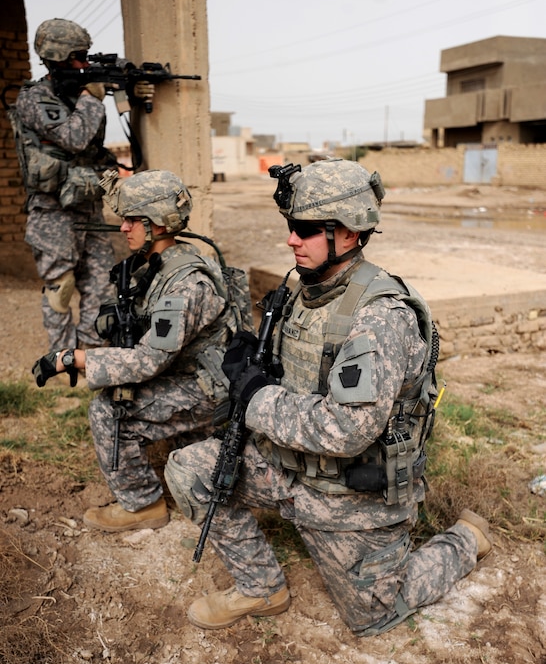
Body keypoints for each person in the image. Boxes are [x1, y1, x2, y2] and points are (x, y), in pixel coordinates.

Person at [163, 157, 492, 636]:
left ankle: (466, 540)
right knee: (189, 470)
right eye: (291, 226)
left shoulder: (379, 317)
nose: (292, 239)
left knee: (374, 617)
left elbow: (347, 429)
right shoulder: (305, 291)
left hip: (351, 494)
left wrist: (254, 396)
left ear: (351, 233)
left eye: (306, 228)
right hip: (287, 466)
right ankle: (261, 587)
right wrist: (252, 365)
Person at [33, 169, 242, 533]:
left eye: (133, 220)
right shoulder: (161, 265)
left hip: (210, 389)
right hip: (191, 373)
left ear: (158, 224)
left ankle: (143, 504)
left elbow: (147, 360)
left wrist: (72, 358)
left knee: (109, 409)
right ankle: (192, 460)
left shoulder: (187, 284)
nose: (124, 228)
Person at [14, 18, 154, 351]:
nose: (83, 64)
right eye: (77, 57)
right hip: (52, 211)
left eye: (85, 56)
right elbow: (73, 137)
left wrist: (130, 93)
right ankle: (61, 357)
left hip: (87, 203)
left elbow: (91, 142)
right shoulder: (35, 99)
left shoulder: (80, 94)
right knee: (61, 286)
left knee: (101, 283)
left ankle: (89, 353)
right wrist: (93, 95)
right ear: (55, 58)